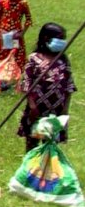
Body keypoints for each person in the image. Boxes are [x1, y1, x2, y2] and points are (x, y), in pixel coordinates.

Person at [18, 23, 75, 152]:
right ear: (46, 39)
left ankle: (47, 169)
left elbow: (69, 86)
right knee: (32, 142)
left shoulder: (63, 60)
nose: (62, 42)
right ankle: (30, 169)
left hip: (56, 111)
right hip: (37, 109)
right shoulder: (34, 59)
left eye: (63, 39)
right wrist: (32, 107)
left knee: (50, 145)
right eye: (59, 38)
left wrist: (65, 109)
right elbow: (26, 83)